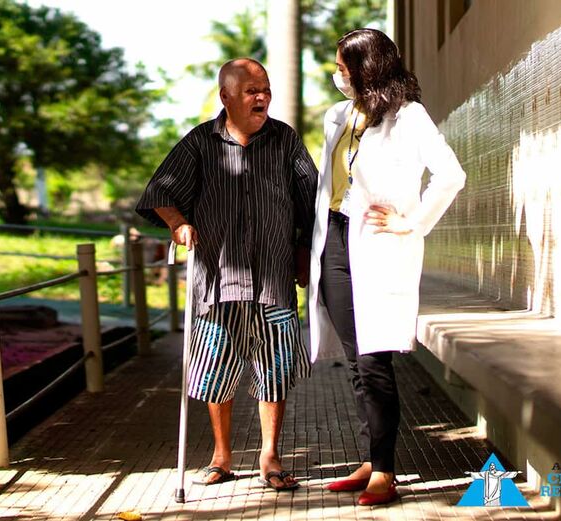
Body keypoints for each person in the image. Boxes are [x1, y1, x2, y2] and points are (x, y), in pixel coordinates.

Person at [136, 58, 317, 491]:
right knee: (216, 367)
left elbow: (311, 196)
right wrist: (178, 222)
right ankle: (221, 455)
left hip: (273, 277)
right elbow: (160, 189)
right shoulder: (201, 142)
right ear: (226, 97)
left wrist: (305, 250)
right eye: (252, 90)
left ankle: (270, 456)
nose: (262, 97)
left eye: (266, 89)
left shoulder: (285, 140)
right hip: (217, 280)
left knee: (274, 368)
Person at [308, 29, 466, 506]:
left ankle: (385, 470)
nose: (337, 75)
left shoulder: (409, 117)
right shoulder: (338, 115)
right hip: (334, 240)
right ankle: (371, 457)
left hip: (377, 243)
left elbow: (451, 175)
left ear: (365, 67)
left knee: (374, 359)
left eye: (342, 67)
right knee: (357, 358)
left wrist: (411, 223)